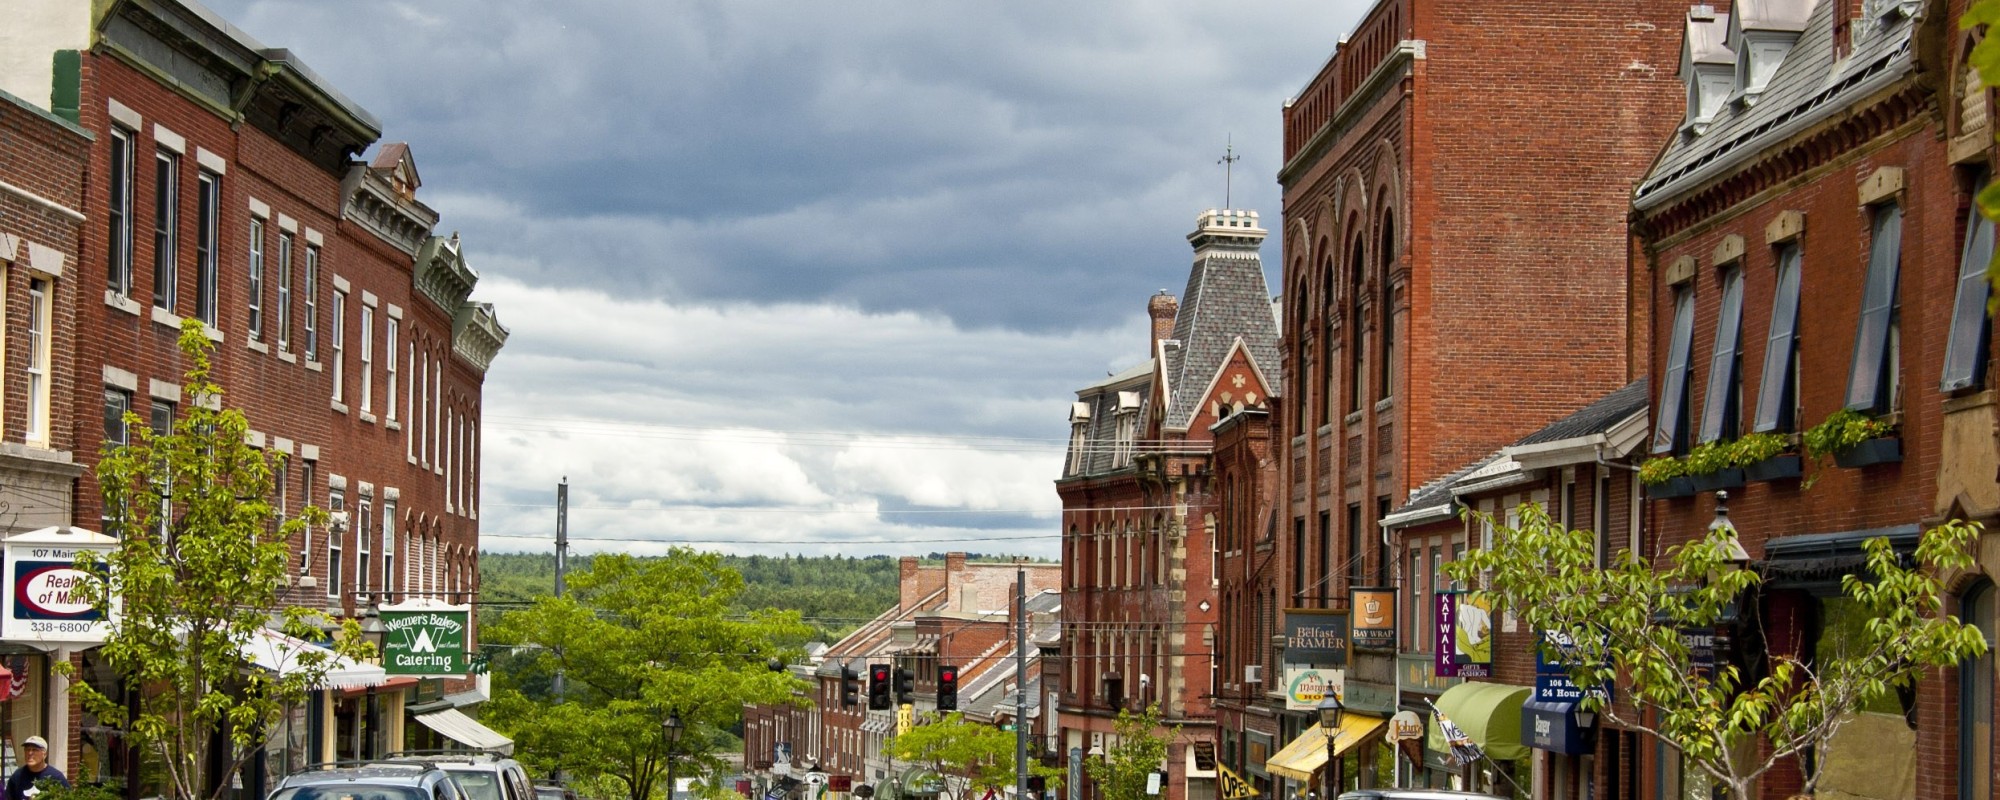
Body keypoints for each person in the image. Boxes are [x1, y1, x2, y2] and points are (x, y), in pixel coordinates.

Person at [6, 736, 69, 800]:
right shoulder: (17, 776)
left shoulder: (56, 777)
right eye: (27, 749)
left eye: (34, 750)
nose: (30, 753)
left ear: (44, 755)